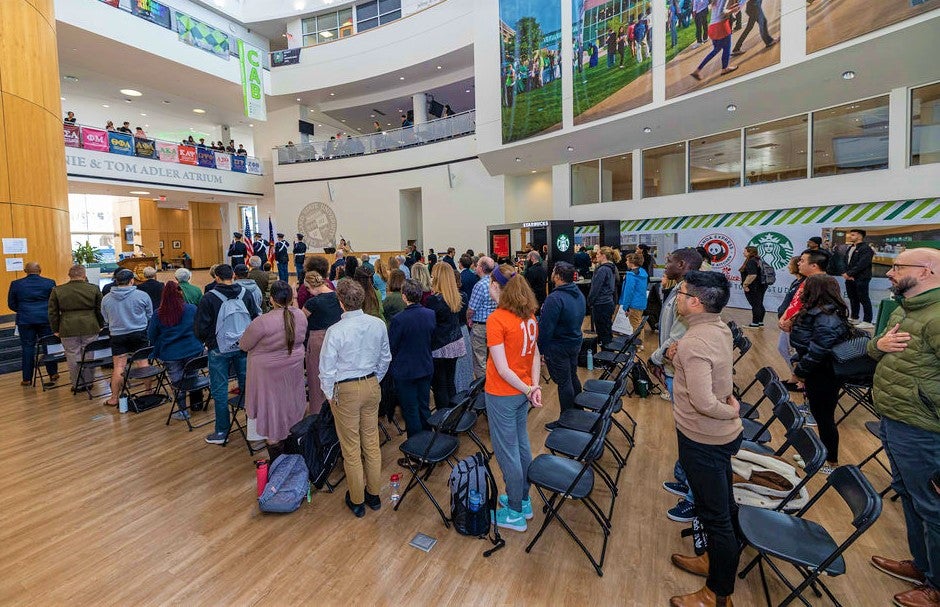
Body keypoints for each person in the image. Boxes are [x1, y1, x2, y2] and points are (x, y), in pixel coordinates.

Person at [866, 248, 940, 607]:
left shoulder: (937, 316)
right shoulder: (905, 308)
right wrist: (878, 344)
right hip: (896, 420)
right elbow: (873, 350)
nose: (890, 272)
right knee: (909, 496)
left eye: (898, 266)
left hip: (923, 430)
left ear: (926, 271)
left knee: (933, 508)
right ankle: (923, 566)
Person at [667, 271, 743, 607]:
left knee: (717, 517)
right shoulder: (717, 327)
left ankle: (717, 593)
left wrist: (732, 411)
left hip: (704, 438)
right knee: (722, 506)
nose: (677, 297)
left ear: (695, 302)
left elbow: (704, 402)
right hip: (716, 437)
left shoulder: (695, 342)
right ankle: (712, 560)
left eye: (681, 293)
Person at [319, 279, 391, 518]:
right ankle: (374, 495)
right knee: (371, 442)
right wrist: (374, 379)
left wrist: (329, 394)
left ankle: (357, 500)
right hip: (371, 384)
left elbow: (326, 368)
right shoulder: (378, 324)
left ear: (341, 303)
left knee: (350, 448)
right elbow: (385, 358)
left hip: (345, 389)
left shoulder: (336, 331)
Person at [486, 263, 542, 532]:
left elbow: (502, 368)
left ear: (496, 287)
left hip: (503, 394)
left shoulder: (497, 319)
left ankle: (516, 512)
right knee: (521, 446)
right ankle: (523, 498)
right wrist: (532, 386)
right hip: (522, 392)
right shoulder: (529, 315)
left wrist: (529, 389)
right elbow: (536, 355)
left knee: (507, 453)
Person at [789, 274, 852, 473]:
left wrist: (800, 371)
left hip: (824, 374)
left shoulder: (827, 317)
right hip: (817, 371)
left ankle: (831, 461)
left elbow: (818, 349)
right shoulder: (820, 312)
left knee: (824, 418)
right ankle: (821, 452)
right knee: (819, 414)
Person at [240, 281, 308, 457]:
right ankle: (292, 448)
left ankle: (277, 458)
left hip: (267, 374)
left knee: (272, 409)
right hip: (292, 369)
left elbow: (244, 344)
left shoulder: (262, 321)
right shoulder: (300, 315)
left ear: (271, 299)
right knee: (290, 403)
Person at [194, 264, 261, 445]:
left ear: (216, 277)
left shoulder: (209, 297)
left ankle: (222, 431)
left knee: (220, 390)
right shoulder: (246, 294)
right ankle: (253, 427)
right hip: (243, 346)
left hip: (218, 348)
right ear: (233, 275)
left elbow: (201, 327)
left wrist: (208, 342)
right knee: (248, 386)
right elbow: (256, 317)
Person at [651, 248, 704, 408]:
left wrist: (654, 359)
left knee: (686, 423)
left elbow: (677, 337)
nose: (665, 266)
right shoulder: (679, 290)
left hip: (678, 373)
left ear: (681, 264)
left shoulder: (687, 296)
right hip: (672, 368)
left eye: (669, 262)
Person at [147, 281, 204, 421]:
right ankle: (196, 404)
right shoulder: (191, 309)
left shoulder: (159, 313)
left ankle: (183, 410)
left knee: (176, 381)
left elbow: (151, 335)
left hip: (171, 353)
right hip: (193, 349)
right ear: (181, 293)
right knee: (191, 376)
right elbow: (200, 327)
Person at [539, 262, 586, 430]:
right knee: (572, 377)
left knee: (564, 382)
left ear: (558, 276)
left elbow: (546, 328)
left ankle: (566, 421)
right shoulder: (578, 293)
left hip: (559, 346)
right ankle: (579, 411)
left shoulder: (555, 298)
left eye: (553, 272)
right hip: (574, 341)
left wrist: (541, 350)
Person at [388, 279, 436, 438]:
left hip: (405, 371)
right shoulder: (430, 314)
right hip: (425, 365)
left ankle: (416, 450)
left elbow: (392, 347)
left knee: (410, 410)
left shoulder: (398, 319)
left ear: (403, 296)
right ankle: (428, 442)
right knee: (424, 406)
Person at [101, 269, 153, 406]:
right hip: (139, 333)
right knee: (143, 363)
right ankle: (149, 392)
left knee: (119, 367)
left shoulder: (106, 298)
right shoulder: (142, 295)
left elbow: (105, 319)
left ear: (116, 281)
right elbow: (150, 315)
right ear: (132, 280)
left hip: (117, 335)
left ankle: (113, 398)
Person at [48, 265, 103, 391]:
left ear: (69, 275)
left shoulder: (57, 290)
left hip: (67, 326)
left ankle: (77, 383)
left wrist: (55, 329)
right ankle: (89, 382)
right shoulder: (93, 289)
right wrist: (100, 324)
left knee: (72, 355)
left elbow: (53, 312)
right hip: (90, 324)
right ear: (84, 275)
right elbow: (99, 309)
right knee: (89, 354)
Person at [8, 262, 59, 386]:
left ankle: (27, 378)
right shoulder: (50, 282)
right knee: (48, 346)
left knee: (27, 348)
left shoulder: (16, 284)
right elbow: (54, 302)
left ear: (25, 270)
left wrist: (23, 310)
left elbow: (11, 304)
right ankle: (53, 373)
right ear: (40, 270)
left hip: (25, 320)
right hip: (45, 319)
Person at [427, 263, 467, 410]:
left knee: (439, 385)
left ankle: (443, 420)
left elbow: (430, 324)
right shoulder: (457, 297)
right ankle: (453, 417)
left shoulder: (434, 300)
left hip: (439, 346)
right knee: (450, 382)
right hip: (455, 342)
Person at [302, 270, 342, 414]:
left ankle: (318, 413)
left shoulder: (312, 302)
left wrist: (294, 297)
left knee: (316, 378)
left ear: (309, 287)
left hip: (318, 341)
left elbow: (300, 320)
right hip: (337, 338)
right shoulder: (338, 296)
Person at [690, 0, 740, 82]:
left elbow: (719, 11)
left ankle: (697, 70)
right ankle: (725, 68)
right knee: (727, 48)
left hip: (712, 27)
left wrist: (731, 8)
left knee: (716, 49)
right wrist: (733, 10)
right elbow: (722, 13)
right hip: (721, 26)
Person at [467, 256, 497, 379]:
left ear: (481, 268)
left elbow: (471, 309)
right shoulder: (495, 283)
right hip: (494, 324)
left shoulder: (480, 285)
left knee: (480, 359)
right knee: (493, 357)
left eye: (477, 265)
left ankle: (484, 387)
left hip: (480, 326)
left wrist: (469, 318)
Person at [587, 246, 619, 348]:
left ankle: (606, 357)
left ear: (603, 256)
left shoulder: (602, 270)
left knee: (602, 332)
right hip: (608, 302)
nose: (596, 256)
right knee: (607, 330)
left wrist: (590, 301)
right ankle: (609, 356)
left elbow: (596, 288)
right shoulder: (612, 268)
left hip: (601, 304)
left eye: (598, 254)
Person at [843, 228, 875, 328]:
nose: (850, 236)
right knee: (853, 298)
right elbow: (846, 261)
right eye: (850, 234)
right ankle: (854, 317)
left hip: (861, 277)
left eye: (853, 235)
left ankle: (867, 321)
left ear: (860, 236)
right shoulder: (850, 248)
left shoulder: (866, 249)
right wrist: (846, 273)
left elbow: (862, 264)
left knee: (864, 298)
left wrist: (850, 273)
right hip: (849, 278)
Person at [739, 246, 767, 328]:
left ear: (749, 252)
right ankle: (760, 322)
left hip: (754, 286)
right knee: (759, 303)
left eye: (745, 251)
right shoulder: (758, 259)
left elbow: (752, 275)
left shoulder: (751, 261)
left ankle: (755, 324)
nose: (743, 253)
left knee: (755, 304)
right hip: (761, 285)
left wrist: (745, 285)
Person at [620, 253, 649, 331]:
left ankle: (639, 343)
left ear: (632, 262)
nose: (626, 262)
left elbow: (628, 292)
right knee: (638, 324)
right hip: (641, 302)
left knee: (636, 326)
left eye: (627, 260)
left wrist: (625, 306)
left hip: (633, 304)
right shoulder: (642, 273)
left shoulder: (631, 275)